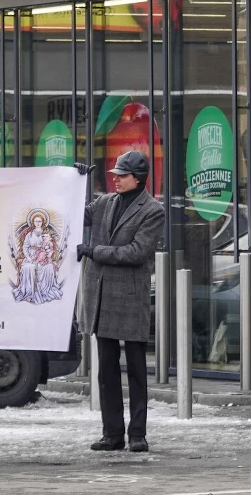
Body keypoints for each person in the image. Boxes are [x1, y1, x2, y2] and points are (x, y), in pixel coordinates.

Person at [77, 150, 166, 453]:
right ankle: (111, 433)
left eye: (122, 175)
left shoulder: (153, 210)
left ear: (138, 178)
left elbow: (136, 252)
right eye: (114, 174)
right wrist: (75, 181)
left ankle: (137, 434)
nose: (115, 179)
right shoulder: (104, 203)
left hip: (128, 299)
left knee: (138, 371)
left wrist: (93, 251)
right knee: (106, 372)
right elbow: (73, 210)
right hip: (102, 298)